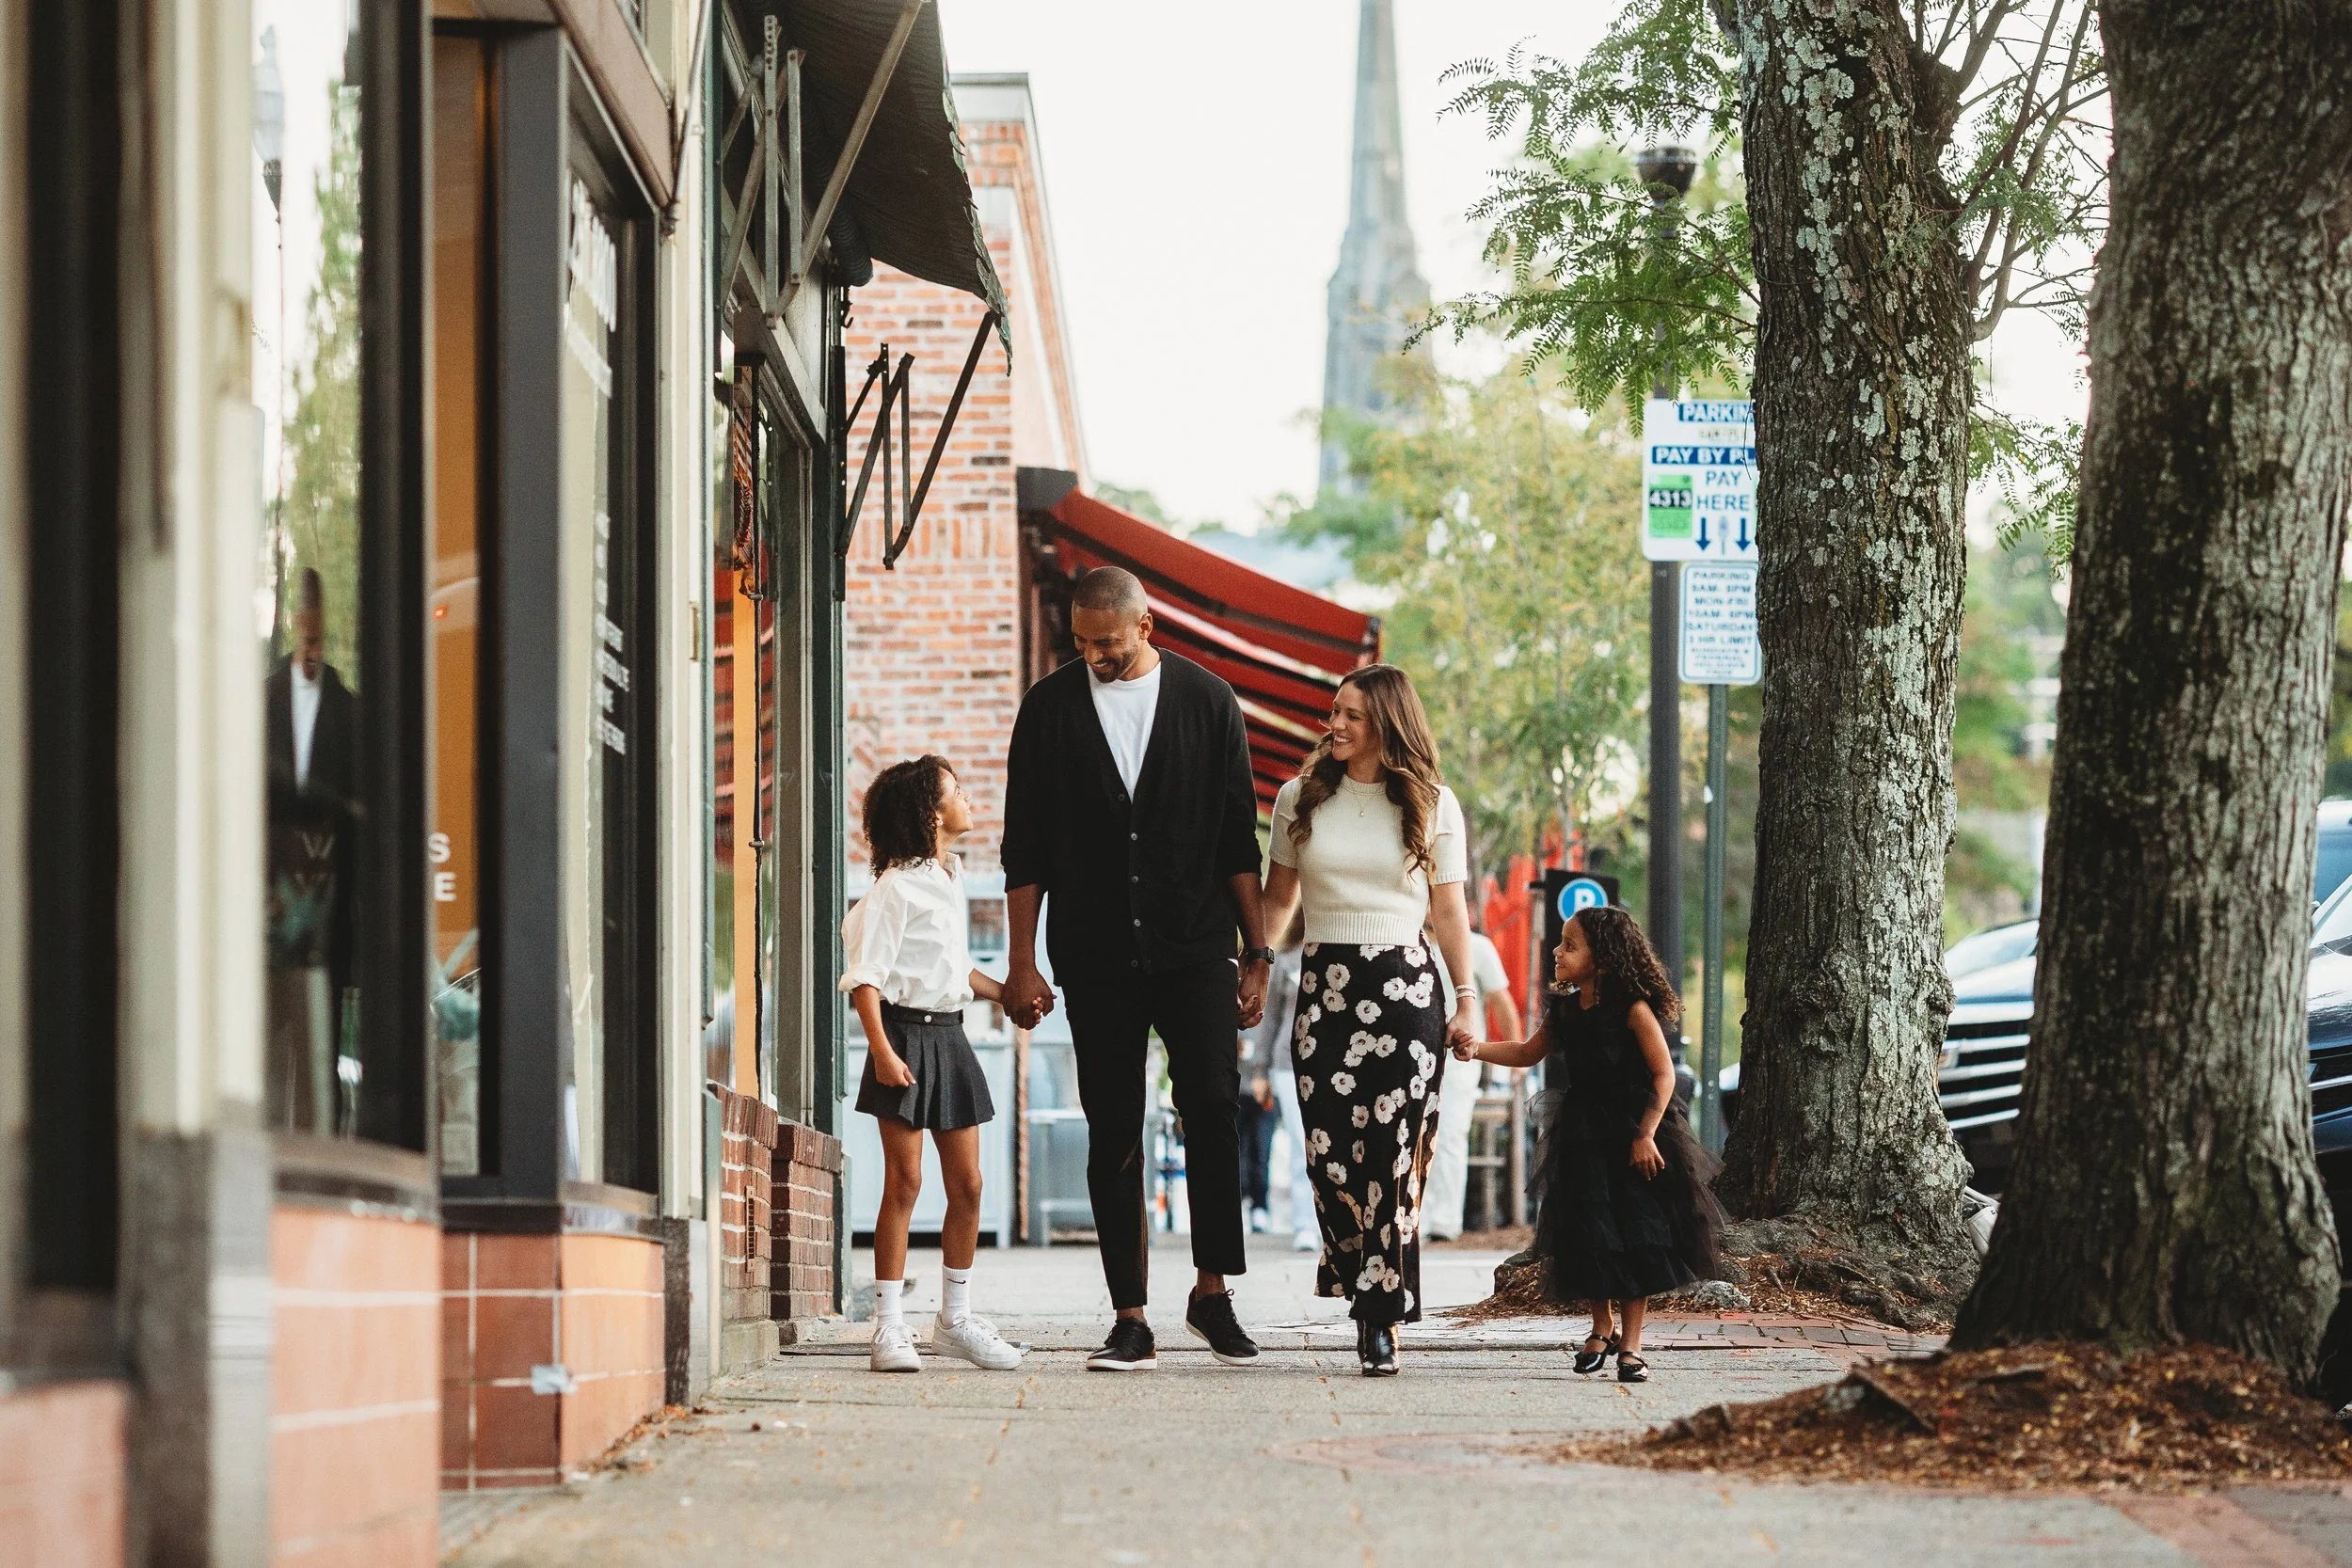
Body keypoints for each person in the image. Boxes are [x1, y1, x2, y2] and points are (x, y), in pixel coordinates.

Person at [1000, 566, 1273, 1372]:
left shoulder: (1209, 701)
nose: (1094, 656)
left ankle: (1212, 1291)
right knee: (1113, 1125)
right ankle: (1130, 1315)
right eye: (1082, 643)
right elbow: (1025, 848)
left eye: (1108, 643)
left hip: (1195, 947)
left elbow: (1236, 841)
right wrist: (1022, 961)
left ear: (1146, 624)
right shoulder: (1048, 710)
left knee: (1215, 1108)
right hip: (1093, 952)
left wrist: (1256, 953)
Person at [1262, 665, 1480, 1375]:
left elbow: (1450, 911)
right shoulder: (1300, 798)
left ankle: (1379, 1314)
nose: (1337, 725)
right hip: (1324, 987)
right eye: (1335, 712)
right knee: (1329, 1156)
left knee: (1391, 1154)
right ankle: (1361, 1275)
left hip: (1407, 991)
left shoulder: (1434, 803)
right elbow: (1277, 901)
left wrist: (1468, 995)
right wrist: (1254, 964)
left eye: (1352, 715)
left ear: (1387, 723)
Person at [1455, 904, 1725, 1384]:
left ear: (1602, 959)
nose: (1558, 952)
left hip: (1633, 1135)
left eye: (1570, 945)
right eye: (1560, 942)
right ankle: (1601, 1327)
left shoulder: (1633, 1010)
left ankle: (1633, 1343)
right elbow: (1525, 1051)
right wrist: (1475, 1048)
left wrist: (1645, 1134)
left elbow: (1664, 1076)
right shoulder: (1564, 1010)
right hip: (1580, 1136)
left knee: (1636, 1234)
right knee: (1588, 1231)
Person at [841, 756, 1024, 1375]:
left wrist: (1007, 993)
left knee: (969, 1185)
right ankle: (889, 1327)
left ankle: (955, 1320)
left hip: (949, 1036)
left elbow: (951, 970)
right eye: (957, 791)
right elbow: (865, 981)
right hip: (901, 1037)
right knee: (906, 1182)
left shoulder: (947, 877)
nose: (968, 799)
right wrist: (883, 1052)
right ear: (930, 813)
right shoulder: (894, 887)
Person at [263, 566, 359, 1132]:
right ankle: (273, 1133)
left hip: (326, 887)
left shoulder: (349, 710)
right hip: (271, 886)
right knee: (273, 1018)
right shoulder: (264, 700)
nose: (313, 649)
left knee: (318, 1022)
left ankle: (322, 1131)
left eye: (321, 638)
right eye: (306, 635)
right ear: (296, 626)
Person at [1422, 917, 1523, 1241]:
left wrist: (1518, 1059)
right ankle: (1414, 1218)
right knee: (1411, 1136)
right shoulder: (1406, 943)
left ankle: (1444, 1222)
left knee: (1450, 1133)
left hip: (1459, 1058)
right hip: (1408, 1055)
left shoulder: (1476, 947)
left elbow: (1501, 1001)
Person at [1243, 913, 1320, 1251]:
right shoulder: (1286, 961)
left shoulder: (1342, 956)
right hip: (1287, 1066)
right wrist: (1260, 1071)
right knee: (1303, 1143)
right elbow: (1269, 1019)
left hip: (1334, 1067)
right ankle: (1305, 1224)